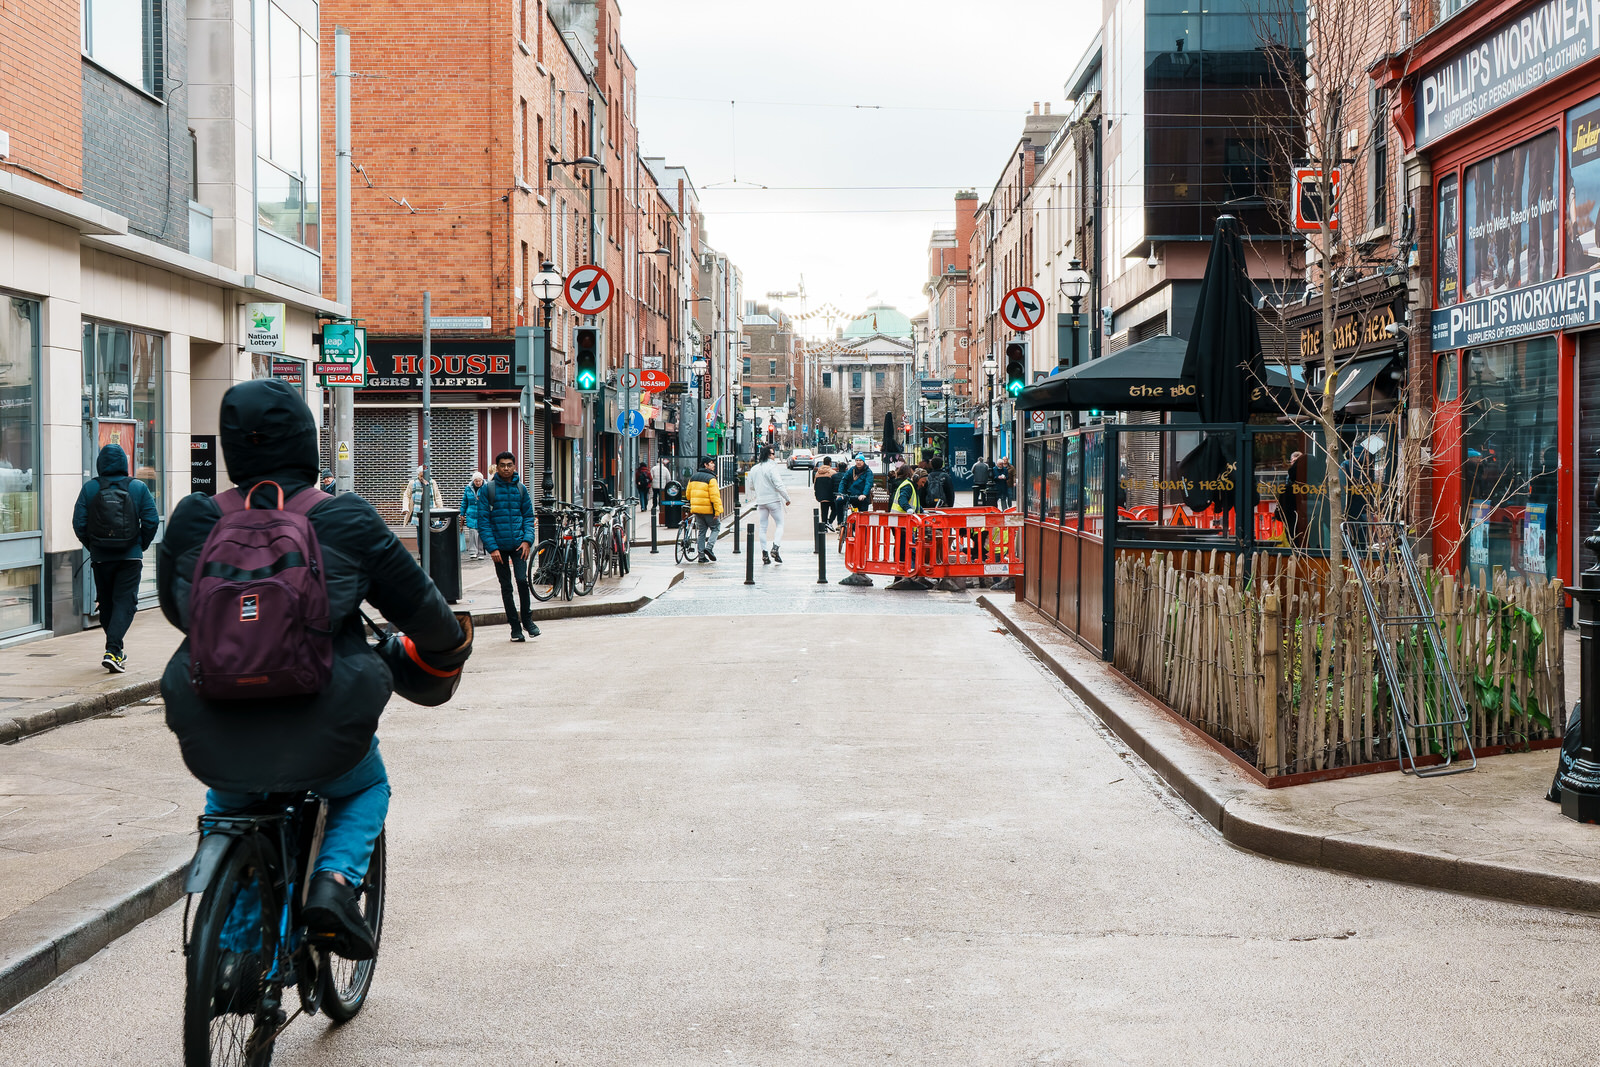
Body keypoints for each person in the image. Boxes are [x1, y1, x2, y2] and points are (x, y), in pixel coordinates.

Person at [159, 378, 470, 959]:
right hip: (323, 726)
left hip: (216, 723)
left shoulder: (194, 520)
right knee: (366, 787)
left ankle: (229, 959)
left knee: (233, 803)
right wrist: (447, 645)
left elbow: (183, 613)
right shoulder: (345, 519)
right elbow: (424, 611)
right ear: (308, 441)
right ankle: (333, 886)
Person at [73, 443, 161, 673]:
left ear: (100, 463)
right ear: (125, 462)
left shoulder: (90, 489)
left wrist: (92, 546)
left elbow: (79, 523)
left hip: (101, 558)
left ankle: (115, 650)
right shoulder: (138, 487)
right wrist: (140, 544)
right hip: (129, 557)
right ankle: (113, 650)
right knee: (126, 602)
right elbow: (151, 521)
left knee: (107, 603)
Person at [478, 452, 539, 641]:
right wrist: (492, 547)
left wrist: (527, 541)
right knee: (506, 587)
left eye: (509, 465)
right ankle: (515, 628)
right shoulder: (488, 490)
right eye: (502, 465)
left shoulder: (521, 489)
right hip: (499, 548)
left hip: (519, 546)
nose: (506, 468)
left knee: (522, 581)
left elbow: (529, 517)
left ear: (514, 466)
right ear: (497, 467)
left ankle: (528, 621)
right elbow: (483, 522)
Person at [747, 444, 792, 565]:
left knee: (762, 527)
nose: (774, 455)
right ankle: (775, 547)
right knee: (780, 524)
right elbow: (778, 484)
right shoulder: (772, 468)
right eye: (772, 453)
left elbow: (751, 486)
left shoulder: (754, 469)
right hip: (773, 500)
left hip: (761, 501)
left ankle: (765, 554)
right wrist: (787, 498)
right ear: (768, 455)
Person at [685, 457, 723, 562]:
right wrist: (717, 511)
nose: (713, 465)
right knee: (716, 528)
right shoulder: (711, 479)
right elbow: (715, 496)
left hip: (697, 509)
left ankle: (701, 556)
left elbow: (688, 495)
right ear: (705, 465)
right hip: (708, 510)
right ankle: (709, 548)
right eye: (711, 463)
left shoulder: (693, 477)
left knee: (701, 531)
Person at [460, 471, 485, 560]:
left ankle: (481, 552)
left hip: (482, 514)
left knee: (481, 533)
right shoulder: (468, 488)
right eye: (476, 481)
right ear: (473, 481)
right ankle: (473, 551)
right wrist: (462, 513)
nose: (478, 483)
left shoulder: (486, 487)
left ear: (482, 480)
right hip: (471, 513)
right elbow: (464, 501)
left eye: (479, 481)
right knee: (473, 532)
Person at [813, 456, 839, 530]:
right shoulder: (833, 473)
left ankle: (824, 526)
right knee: (835, 509)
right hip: (831, 495)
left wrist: (816, 493)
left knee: (824, 511)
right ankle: (829, 522)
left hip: (821, 495)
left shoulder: (818, 473)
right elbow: (835, 484)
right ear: (830, 463)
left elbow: (815, 484)